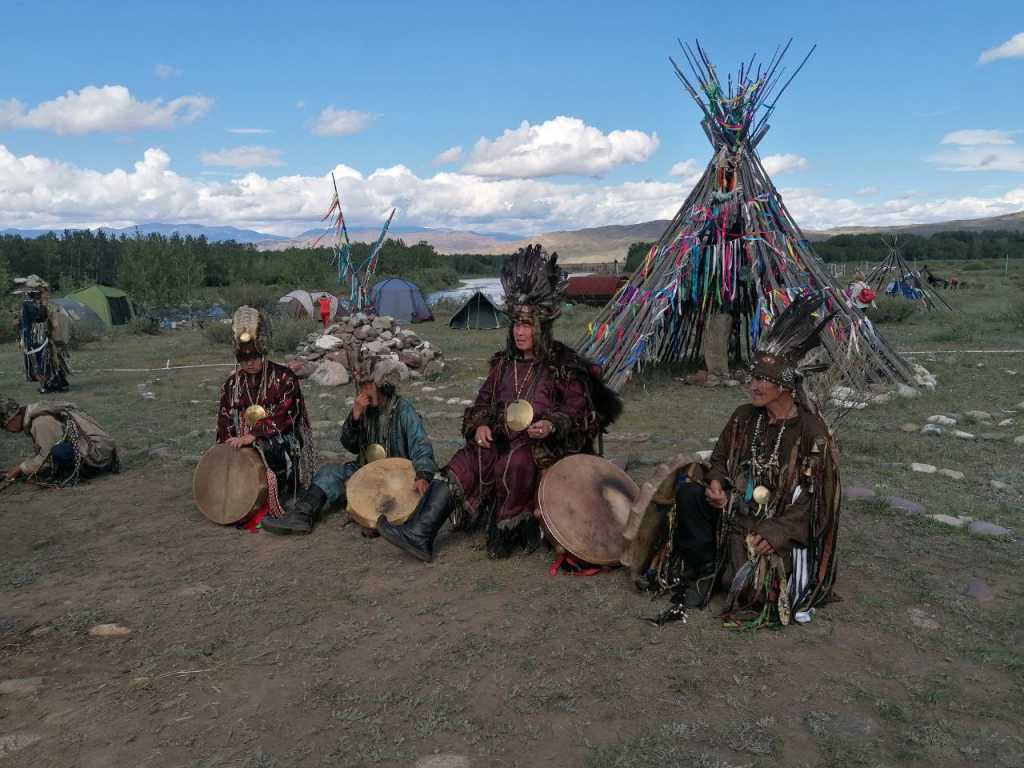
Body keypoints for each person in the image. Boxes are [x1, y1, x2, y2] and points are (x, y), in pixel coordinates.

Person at [377, 245, 622, 562]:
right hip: (502, 437)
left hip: (542, 447)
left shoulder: (562, 366)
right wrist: (480, 424)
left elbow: (579, 412)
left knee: (515, 462)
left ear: (540, 328)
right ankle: (420, 533)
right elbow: (483, 402)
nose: (519, 332)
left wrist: (552, 424)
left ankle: (508, 534)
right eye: (516, 325)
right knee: (466, 459)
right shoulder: (504, 365)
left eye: (526, 325)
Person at [638, 293, 841, 628]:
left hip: (778, 528)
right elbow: (719, 457)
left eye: (762, 379)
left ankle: (732, 572)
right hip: (735, 514)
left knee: (751, 588)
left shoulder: (811, 432)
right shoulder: (745, 417)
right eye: (753, 376)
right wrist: (716, 481)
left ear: (785, 385)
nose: (753, 384)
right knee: (690, 493)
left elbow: (816, 502)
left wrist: (777, 531)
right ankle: (702, 573)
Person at [263, 355, 438, 535]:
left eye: (368, 385)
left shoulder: (403, 410)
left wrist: (423, 474)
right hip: (366, 470)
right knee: (329, 472)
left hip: (397, 477)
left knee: (399, 496)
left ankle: (377, 521)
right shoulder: (364, 409)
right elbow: (350, 446)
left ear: (382, 384)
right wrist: (354, 417)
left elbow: (421, 446)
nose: (364, 391)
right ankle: (301, 516)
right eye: (362, 386)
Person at [216, 306, 314, 519]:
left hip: (281, 435)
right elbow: (225, 416)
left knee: (271, 445)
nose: (249, 363)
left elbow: (287, 413)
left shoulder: (284, 377)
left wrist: (254, 435)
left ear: (263, 353)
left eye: (254, 356)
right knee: (229, 449)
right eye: (243, 358)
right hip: (244, 437)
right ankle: (241, 495)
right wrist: (230, 438)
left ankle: (283, 493)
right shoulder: (232, 384)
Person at [1, 398, 118, 485]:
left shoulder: (41, 422)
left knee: (58, 452)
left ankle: (78, 475)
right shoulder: (38, 413)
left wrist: (21, 468)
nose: (7, 430)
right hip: (98, 452)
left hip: (97, 460)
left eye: (5, 426)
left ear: (13, 418)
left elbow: (46, 458)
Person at [13, 275, 70, 393]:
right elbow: (38, 317)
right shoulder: (27, 304)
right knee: (38, 363)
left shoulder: (37, 303)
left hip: (42, 338)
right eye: (42, 291)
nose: (45, 294)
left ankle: (53, 383)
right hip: (33, 339)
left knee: (47, 362)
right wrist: (44, 305)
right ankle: (45, 385)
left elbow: (50, 321)